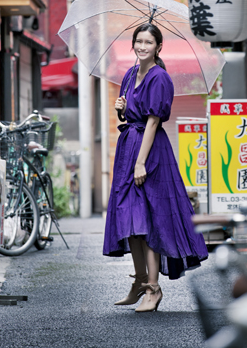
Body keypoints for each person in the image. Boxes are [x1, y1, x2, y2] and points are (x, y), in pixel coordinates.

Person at [103, 22, 208, 313]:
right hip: (128, 147)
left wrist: (140, 163)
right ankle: (139, 282)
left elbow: (152, 122)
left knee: (147, 219)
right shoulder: (128, 74)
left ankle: (153, 288)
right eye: (138, 41)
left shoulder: (160, 78)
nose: (142, 47)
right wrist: (119, 109)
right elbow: (130, 116)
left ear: (158, 47)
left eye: (148, 42)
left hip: (149, 152)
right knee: (130, 219)